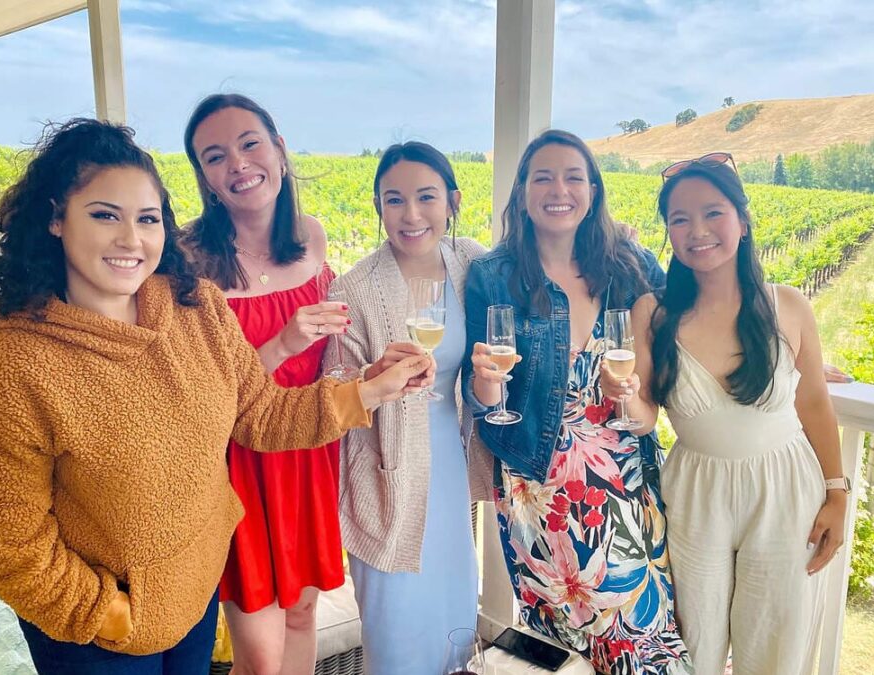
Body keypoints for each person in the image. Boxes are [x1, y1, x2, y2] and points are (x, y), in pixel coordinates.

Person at [0, 118, 426, 675]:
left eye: (147, 219)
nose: (131, 239)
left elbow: (262, 414)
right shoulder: (11, 368)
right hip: (98, 636)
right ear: (56, 218)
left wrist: (368, 390)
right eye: (105, 215)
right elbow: (6, 539)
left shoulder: (195, 310)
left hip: (196, 599)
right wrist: (109, 614)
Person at [600, 153, 846, 674]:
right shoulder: (655, 313)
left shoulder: (789, 307)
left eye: (713, 213)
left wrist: (837, 494)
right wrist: (621, 393)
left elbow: (815, 402)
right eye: (680, 219)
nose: (697, 231)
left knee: (776, 641)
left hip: (786, 488)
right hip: (695, 492)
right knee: (694, 638)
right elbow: (644, 416)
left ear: (743, 219)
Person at [462, 129, 691, 674]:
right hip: (537, 493)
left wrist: (778, 352)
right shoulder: (492, 276)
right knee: (566, 655)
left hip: (623, 486)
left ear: (592, 190)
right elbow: (481, 398)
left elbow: (696, 314)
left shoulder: (628, 263)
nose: (558, 189)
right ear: (522, 192)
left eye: (573, 177)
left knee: (647, 644)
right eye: (542, 176)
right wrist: (485, 384)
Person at [181, 93, 362, 675]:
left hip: (308, 454)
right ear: (205, 178)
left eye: (249, 143)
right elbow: (202, 393)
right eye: (215, 156)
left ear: (280, 152)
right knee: (258, 656)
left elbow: (330, 354)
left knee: (304, 615)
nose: (237, 163)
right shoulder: (187, 259)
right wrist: (282, 342)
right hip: (239, 466)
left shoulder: (311, 235)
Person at [326, 142, 493, 674]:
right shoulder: (354, 287)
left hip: (448, 463)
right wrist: (372, 380)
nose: (412, 214)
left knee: (454, 619)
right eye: (394, 200)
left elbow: (537, 273)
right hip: (387, 477)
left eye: (426, 197)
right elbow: (333, 392)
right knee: (396, 627)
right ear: (378, 207)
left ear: (452, 201)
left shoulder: (471, 261)